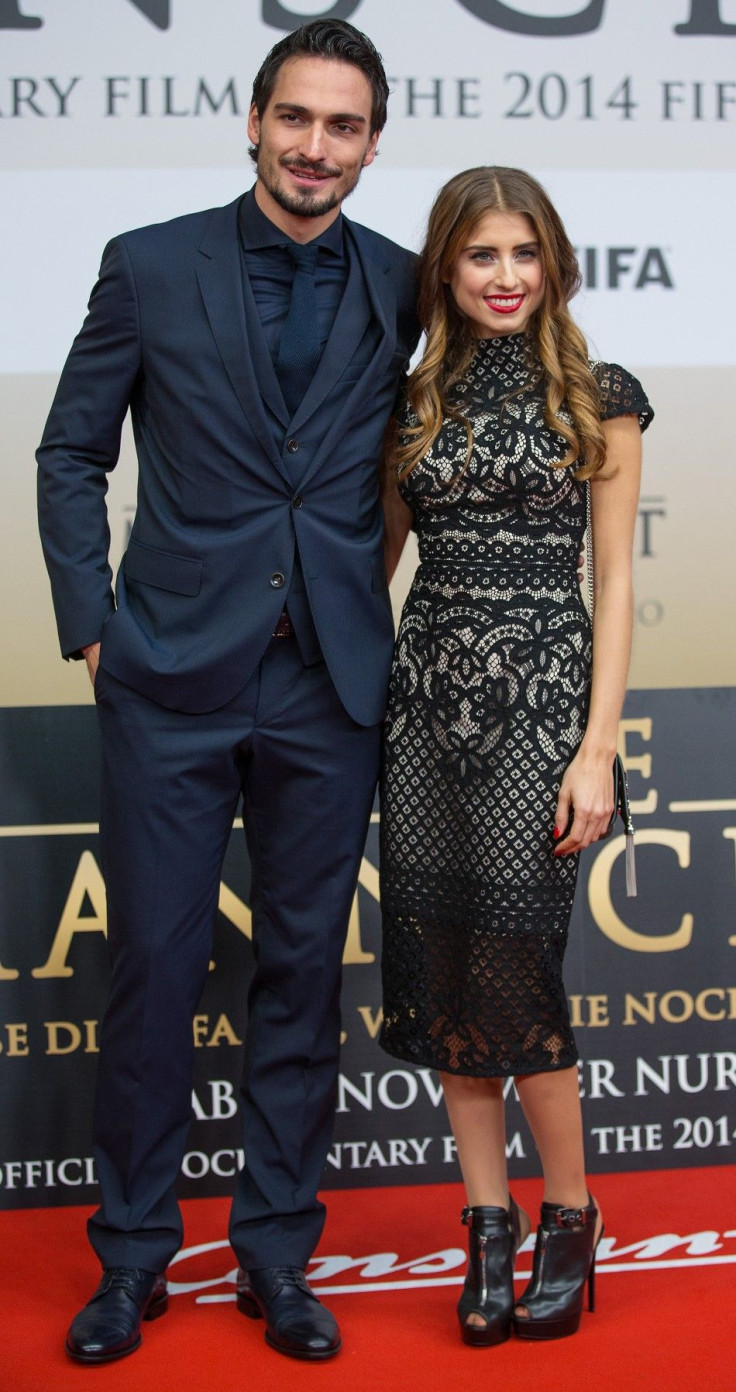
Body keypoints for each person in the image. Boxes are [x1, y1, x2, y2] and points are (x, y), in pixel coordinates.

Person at [37, 19, 418, 1365]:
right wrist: (95, 628)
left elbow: (411, 461)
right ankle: (134, 1258)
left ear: (373, 143)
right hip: (170, 681)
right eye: (298, 118)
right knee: (150, 968)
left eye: (347, 126)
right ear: (252, 121)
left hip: (328, 687)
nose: (319, 146)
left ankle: (275, 1255)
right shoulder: (148, 267)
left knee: (303, 975)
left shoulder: (406, 283)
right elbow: (69, 451)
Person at [379, 166, 652, 1346]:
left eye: (522, 253)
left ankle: (571, 1216)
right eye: (481, 255)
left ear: (553, 263)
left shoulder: (601, 394)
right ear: (445, 266)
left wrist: (598, 751)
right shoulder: (411, 401)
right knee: (444, 985)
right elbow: (369, 565)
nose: (503, 277)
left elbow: (617, 581)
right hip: (424, 711)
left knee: (512, 980)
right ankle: (485, 1227)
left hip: (543, 715)